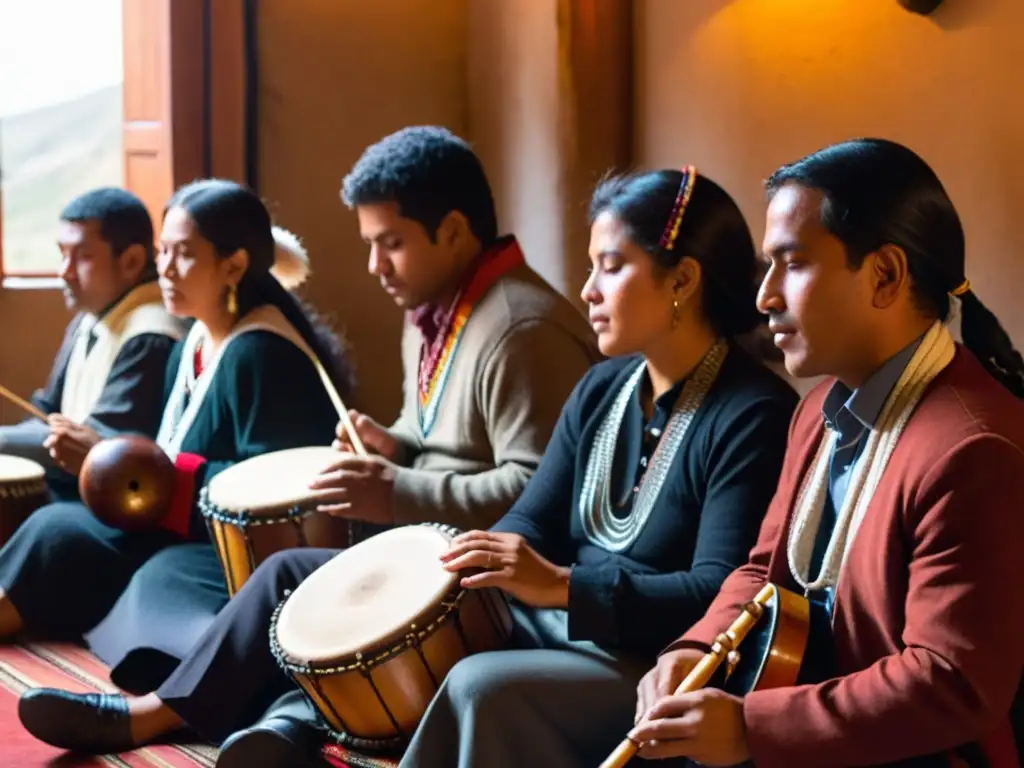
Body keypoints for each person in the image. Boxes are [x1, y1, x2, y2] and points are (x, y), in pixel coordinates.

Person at [17, 127, 599, 763]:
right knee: (291, 581)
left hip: (485, 571)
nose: (375, 266)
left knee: (292, 580)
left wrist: (396, 489)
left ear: (455, 231)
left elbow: (539, 493)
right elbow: (433, 436)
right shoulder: (440, 310)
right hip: (433, 541)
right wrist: (392, 442)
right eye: (371, 245)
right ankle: (284, 727)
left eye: (391, 244)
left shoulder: (522, 327)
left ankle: (159, 719)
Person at [628, 139, 1024, 768]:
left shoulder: (972, 448)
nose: (764, 296)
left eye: (793, 264)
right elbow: (764, 575)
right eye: (766, 266)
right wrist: (694, 650)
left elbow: (951, 682)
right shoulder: (818, 408)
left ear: (885, 276)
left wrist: (749, 729)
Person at [394, 166, 797, 768]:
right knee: (414, 640)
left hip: (653, 666)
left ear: (683, 278)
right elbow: (533, 515)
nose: (587, 289)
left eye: (611, 267)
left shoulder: (753, 413)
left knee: (481, 686)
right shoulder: (602, 387)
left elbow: (716, 591)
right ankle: (280, 739)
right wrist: (487, 560)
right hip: (558, 628)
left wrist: (559, 586)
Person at [3, 179, 352, 699]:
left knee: (149, 583)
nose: (164, 269)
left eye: (183, 255)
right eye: (163, 251)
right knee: (58, 527)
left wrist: (142, 472)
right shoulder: (196, 335)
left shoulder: (261, 352)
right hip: (175, 518)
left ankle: (192, 695)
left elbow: (276, 490)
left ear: (232, 266)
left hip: (229, 545)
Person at [0, 188, 183, 500]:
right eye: (63, 254)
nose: (65, 272)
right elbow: (46, 410)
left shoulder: (150, 336)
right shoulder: (92, 316)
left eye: (83, 257)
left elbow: (102, 447)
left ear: (132, 261)